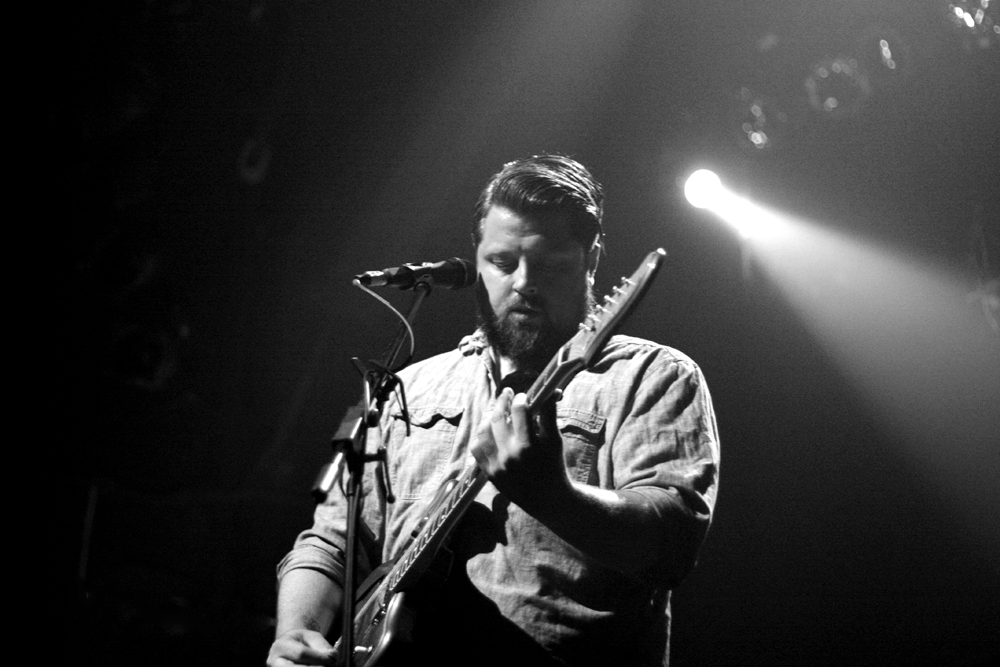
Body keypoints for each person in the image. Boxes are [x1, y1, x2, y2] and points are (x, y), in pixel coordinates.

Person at [268, 155, 720, 667]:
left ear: (591, 261)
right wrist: (296, 633)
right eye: (503, 263)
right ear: (476, 259)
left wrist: (554, 495)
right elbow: (334, 542)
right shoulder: (409, 388)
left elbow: (672, 545)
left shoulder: (653, 377)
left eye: (550, 266)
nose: (524, 282)